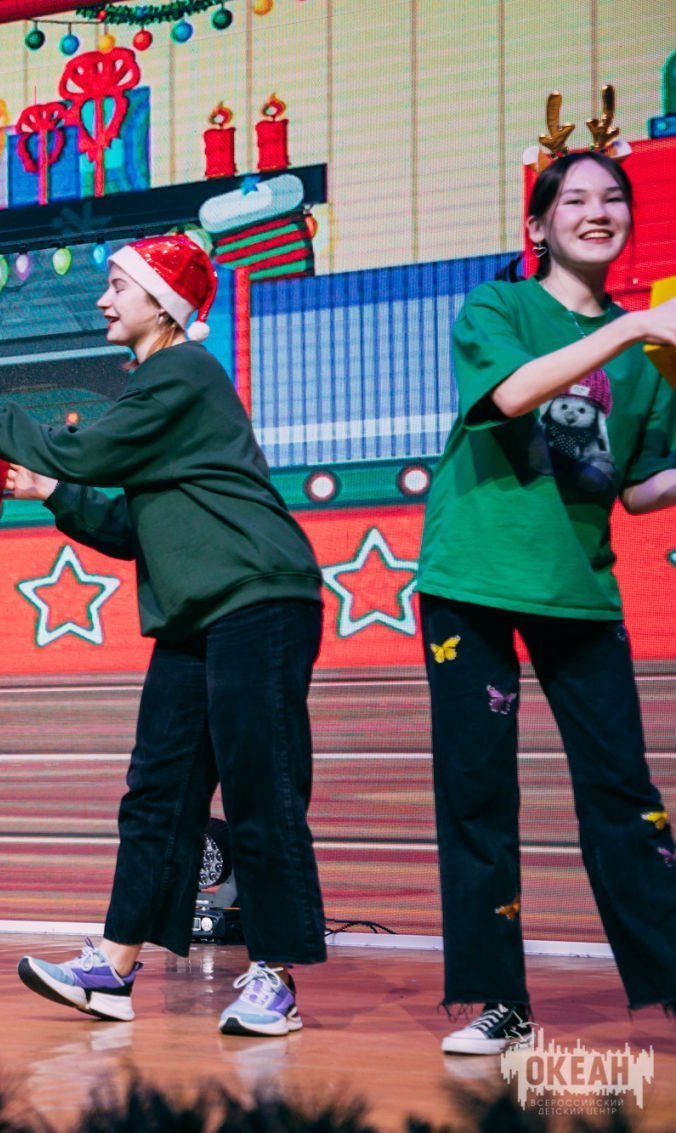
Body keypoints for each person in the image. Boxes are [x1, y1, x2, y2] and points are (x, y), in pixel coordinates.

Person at [0, 235, 327, 1036]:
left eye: (118, 286)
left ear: (163, 303)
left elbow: (90, 450)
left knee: (261, 784)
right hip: (195, 613)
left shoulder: (182, 372)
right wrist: (53, 491)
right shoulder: (159, 387)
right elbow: (130, 526)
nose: (103, 300)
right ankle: (112, 967)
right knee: (158, 788)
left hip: (257, 596)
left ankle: (275, 977)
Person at [415, 150, 676, 1054]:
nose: (599, 211)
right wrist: (635, 325)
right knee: (478, 792)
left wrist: (640, 338)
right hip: (474, 578)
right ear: (539, 227)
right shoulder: (499, 307)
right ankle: (500, 998)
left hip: (579, 587)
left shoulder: (649, 358)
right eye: (576, 200)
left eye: (615, 198)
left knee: (624, 791)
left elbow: (636, 489)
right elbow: (517, 390)